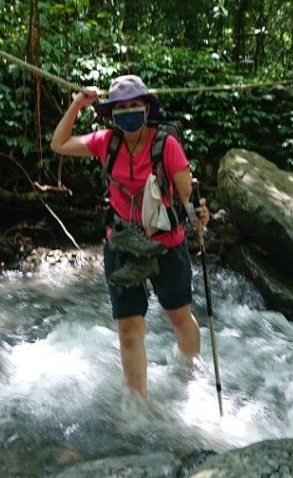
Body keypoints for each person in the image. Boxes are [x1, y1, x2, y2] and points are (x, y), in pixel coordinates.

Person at [51, 74, 210, 401]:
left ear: (146, 107)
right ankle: (137, 406)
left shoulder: (166, 144)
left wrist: (199, 218)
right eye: (121, 107)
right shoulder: (105, 142)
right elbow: (59, 144)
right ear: (112, 114)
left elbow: (186, 194)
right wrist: (78, 104)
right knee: (127, 330)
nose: (129, 112)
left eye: (135, 105)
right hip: (122, 244)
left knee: (179, 317)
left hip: (167, 244)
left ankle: (188, 375)